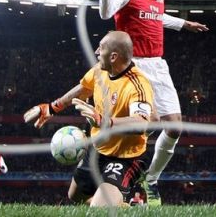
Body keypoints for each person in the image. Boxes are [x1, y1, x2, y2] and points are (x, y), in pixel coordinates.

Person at [99, 0, 209, 205]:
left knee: (174, 126)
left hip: (158, 65)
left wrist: (184, 24)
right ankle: (122, 173)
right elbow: (105, 13)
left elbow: (156, 16)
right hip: (134, 66)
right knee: (151, 119)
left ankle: (150, 179)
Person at [23, 31, 155, 207]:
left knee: (99, 208)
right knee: (75, 196)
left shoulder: (137, 85)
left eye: (101, 48)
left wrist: (104, 121)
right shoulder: (99, 72)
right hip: (98, 148)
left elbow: (142, 123)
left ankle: (122, 200)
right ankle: (128, 207)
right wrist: (52, 107)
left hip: (126, 156)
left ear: (114, 56)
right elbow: (83, 88)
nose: (96, 52)